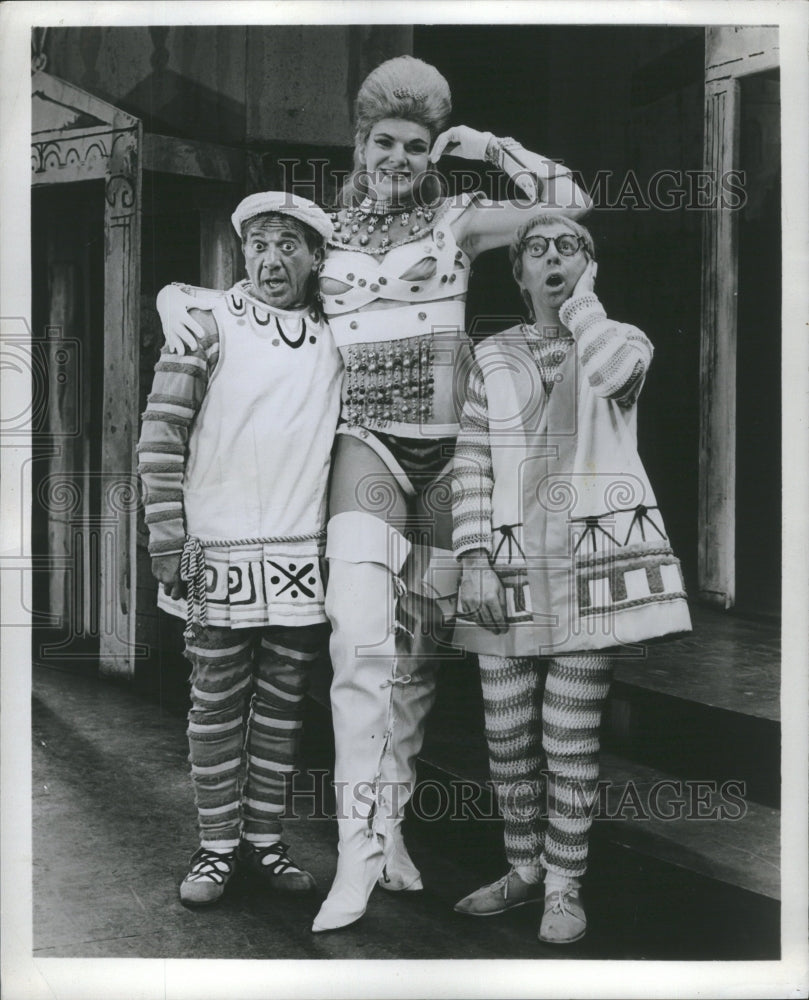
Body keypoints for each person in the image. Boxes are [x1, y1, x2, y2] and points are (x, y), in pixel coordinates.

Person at [157, 54, 592, 933]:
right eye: (385, 141)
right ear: (359, 145)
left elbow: (568, 205)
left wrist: (487, 143)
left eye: (417, 145)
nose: (399, 157)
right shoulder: (329, 237)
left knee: (421, 657)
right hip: (370, 450)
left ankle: (389, 832)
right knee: (360, 646)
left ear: (434, 152)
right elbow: (255, 293)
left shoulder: (459, 219)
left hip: (453, 453)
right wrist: (180, 300)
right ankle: (354, 860)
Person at [450, 212, 692, 944]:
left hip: (592, 571)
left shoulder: (619, 340)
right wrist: (471, 560)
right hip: (509, 568)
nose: (551, 258)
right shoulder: (489, 356)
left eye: (569, 248)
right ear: (517, 272)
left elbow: (614, 379)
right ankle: (522, 871)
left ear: (588, 265)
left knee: (568, 736)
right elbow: (469, 462)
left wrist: (584, 304)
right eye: (536, 249)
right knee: (506, 737)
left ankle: (563, 886)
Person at [138, 192, 342, 908]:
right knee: (215, 704)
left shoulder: (335, 338)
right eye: (258, 242)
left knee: (284, 707)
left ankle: (264, 840)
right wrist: (167, 538)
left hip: (299, 560)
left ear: (318, 257)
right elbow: (160, 437)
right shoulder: (204, 326)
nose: (271, 257)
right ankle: (216, 848)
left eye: (289, 243)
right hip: (213, 551)